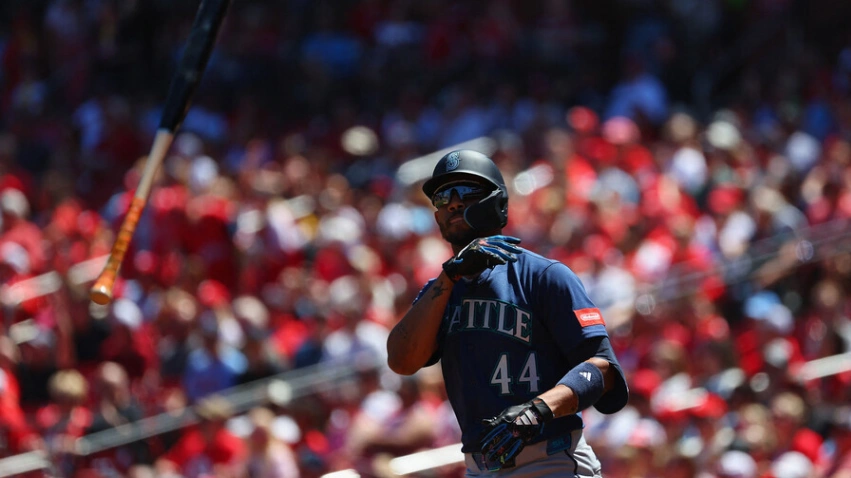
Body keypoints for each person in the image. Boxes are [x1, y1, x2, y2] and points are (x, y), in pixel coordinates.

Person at [386, 150, 629, 477]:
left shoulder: (544, 276)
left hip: (551, 458)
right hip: (481, 467)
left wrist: (539, 410)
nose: (454, 203)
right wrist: (448, 277)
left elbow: (603, 368)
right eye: (443, 197)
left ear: (498, 202)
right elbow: (401, 361)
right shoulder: (439, 292)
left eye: (467, 192)